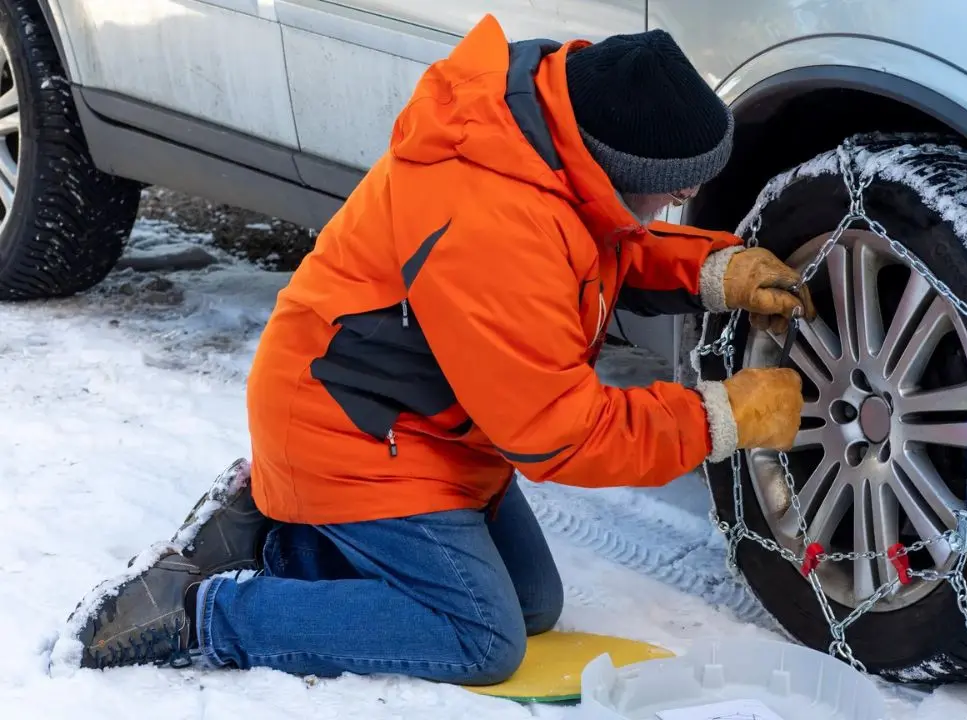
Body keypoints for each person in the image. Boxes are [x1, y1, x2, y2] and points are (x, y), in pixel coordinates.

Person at [72, 14, 815, 684]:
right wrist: (722, 417)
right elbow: (560, 433)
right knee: (481, 637)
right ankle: (204, 609)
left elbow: (603, 241)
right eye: (667, 194)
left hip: (427, 429)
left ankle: (277, 536)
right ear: (614, 169)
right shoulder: (495, 224)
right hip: (351, 434)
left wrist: (713, 271)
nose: (675, 208)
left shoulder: (546, 138)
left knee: (533, 604)